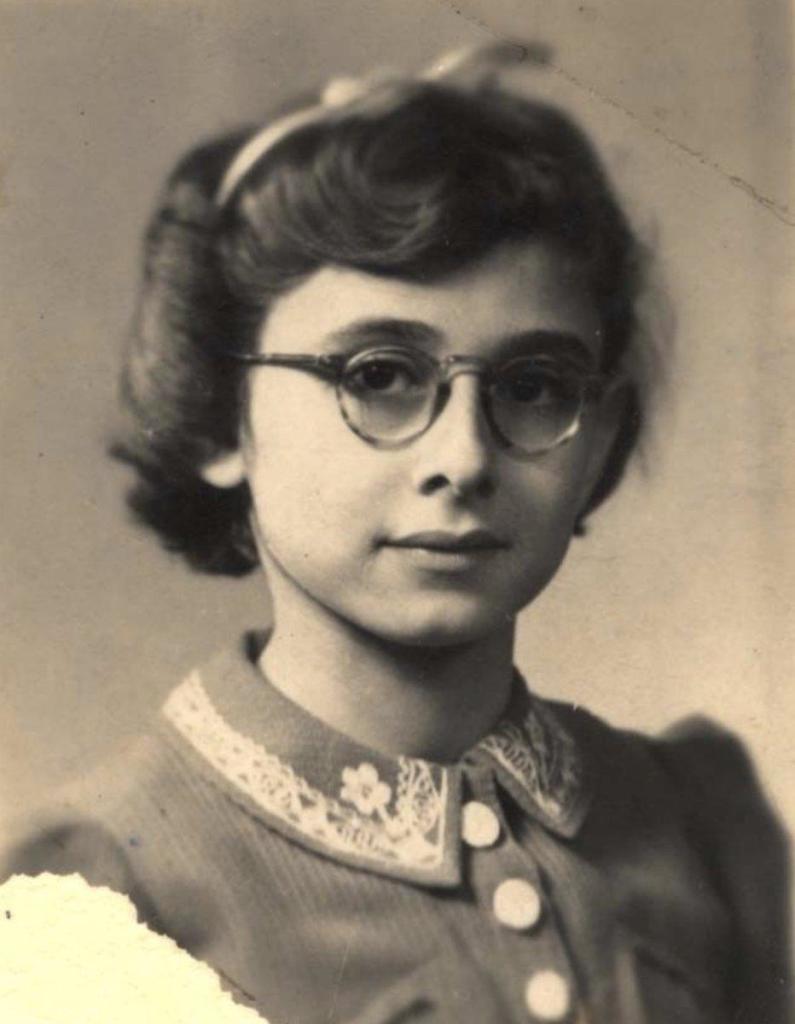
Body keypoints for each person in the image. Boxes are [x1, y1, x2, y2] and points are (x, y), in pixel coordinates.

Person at [3, 42, 790, 1024]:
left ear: (600, 442)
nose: (464, 457)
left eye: (535, 387)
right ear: (215, 416)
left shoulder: (701, 825)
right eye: (377, 375)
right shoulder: (97, 892)